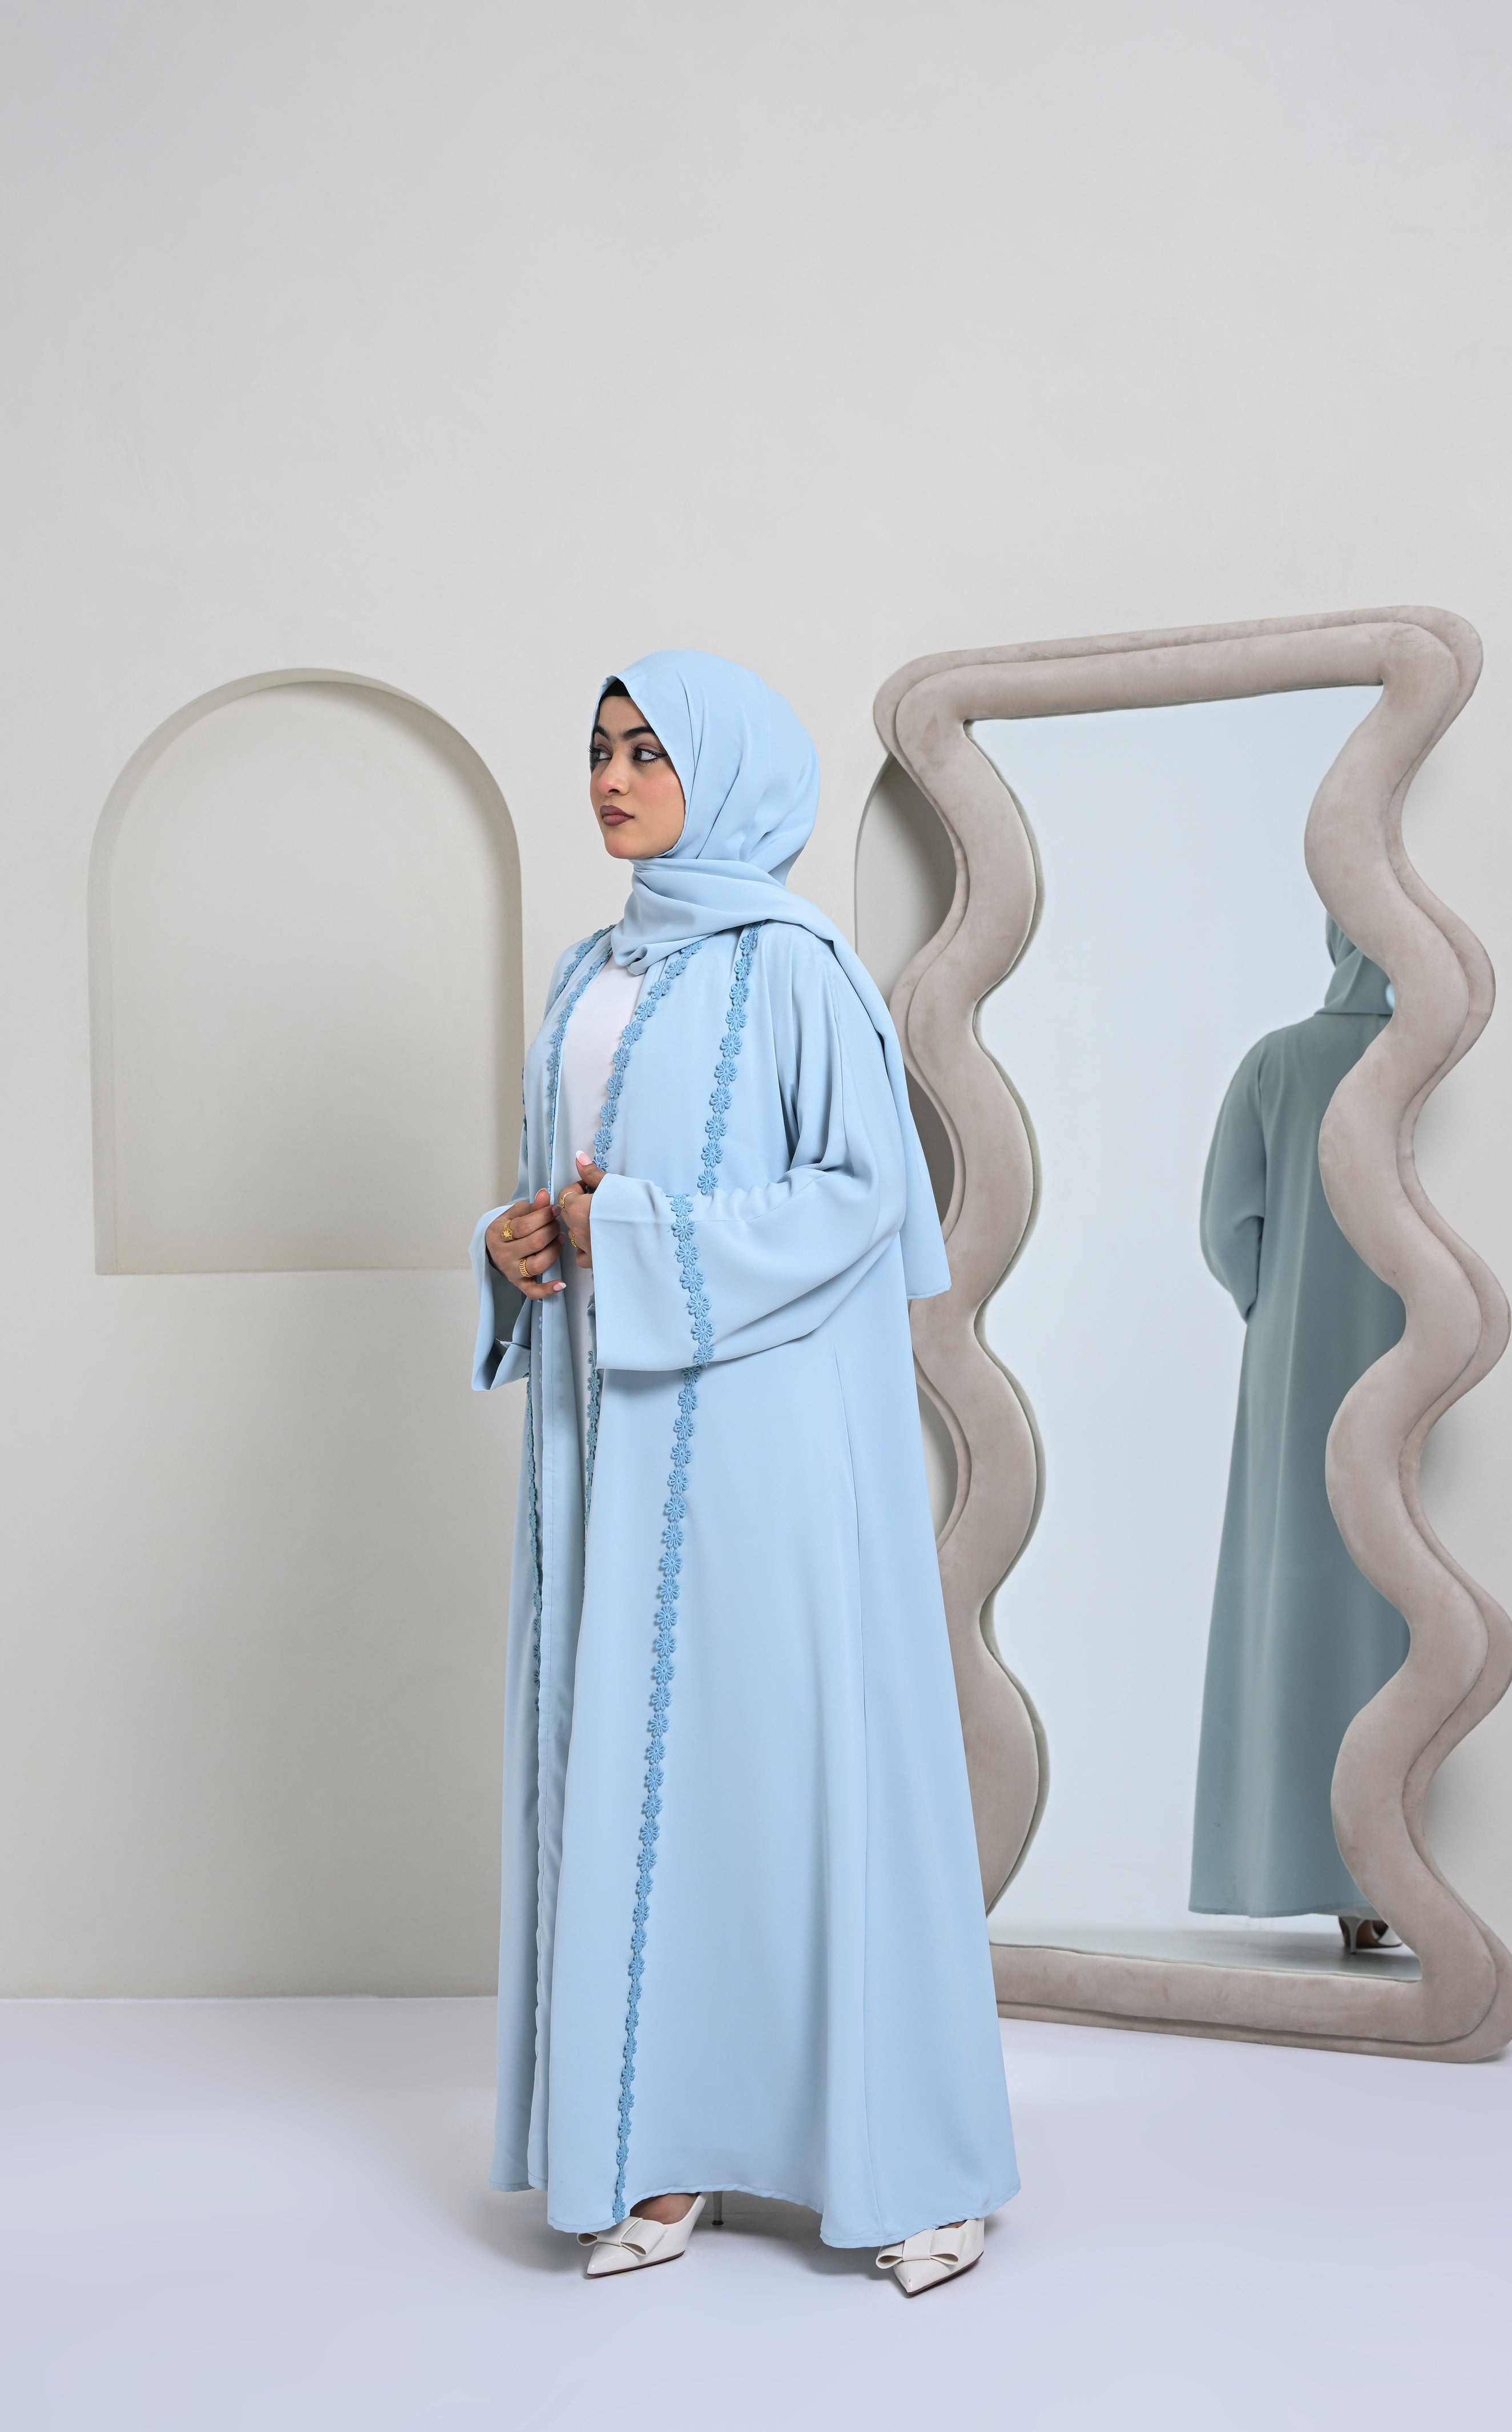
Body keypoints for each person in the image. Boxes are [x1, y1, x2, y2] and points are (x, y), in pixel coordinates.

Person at [471, 650, 1017, 2293]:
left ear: (727, 772)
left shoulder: (795, 964)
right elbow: (566, 1192)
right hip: (609, 1439)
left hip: (768, 1439)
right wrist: (516, 1244)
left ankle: (911, 2165)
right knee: (651, 1773)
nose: (611, 777)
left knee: (801, 1771)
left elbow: (861, 1194)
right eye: (599, 748)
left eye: (648, 751)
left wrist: (628, 1232)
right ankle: (664, 2144)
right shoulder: (588, 970)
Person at [1189, 919, 1410, 1948]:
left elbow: (1227, 1228)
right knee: (1405, 1594)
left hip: (1294, 1362)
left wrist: (1276, 1302)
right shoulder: (1437, 1066)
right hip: (1418, 1352)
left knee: (1292, 1590)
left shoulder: (1277, 1063)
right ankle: (1406, 1869)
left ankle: (1300, 1858)